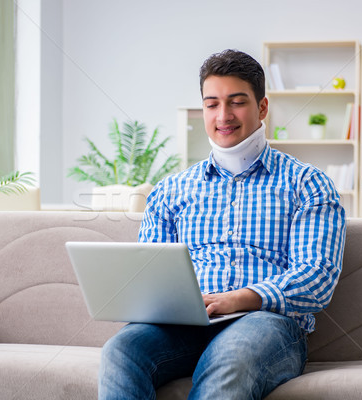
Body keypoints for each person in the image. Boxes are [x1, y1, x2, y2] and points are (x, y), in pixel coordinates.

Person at [99, 49, 346, 399]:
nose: (223, 115)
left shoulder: (307, 184)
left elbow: (317, 276)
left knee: (229, 358)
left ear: (262, 107)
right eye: (212, 104)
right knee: (120, 350)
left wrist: (240, 299)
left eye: (237, 102)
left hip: (266, 326)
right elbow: (151, 275)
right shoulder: (170, 190)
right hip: (184, 324)